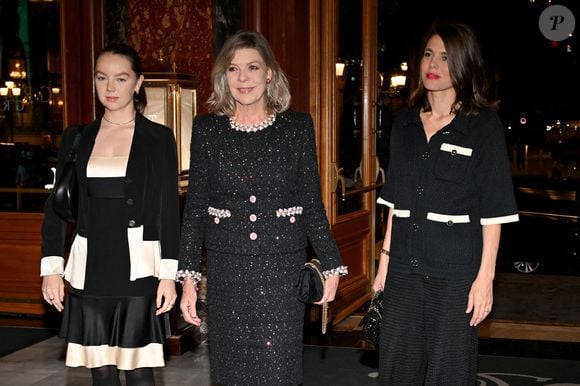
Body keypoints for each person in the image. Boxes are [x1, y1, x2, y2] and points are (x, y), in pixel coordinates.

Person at [177, 31, 347, 385]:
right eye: (234, 69)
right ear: (224, 76)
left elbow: (311, 202)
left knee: (278, 370)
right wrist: (189, 279)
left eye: (252, 67)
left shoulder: (297, 127)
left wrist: (331, 262)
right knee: (231, 371)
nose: (243, 78)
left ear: (269, 73)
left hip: (281, 271)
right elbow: (195, 211)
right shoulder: (208, 130)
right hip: (227, 271)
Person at [372, 22, 519, 384]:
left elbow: (494, 212)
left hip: (455, 277)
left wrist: (485, 279)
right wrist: (383, 268)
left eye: (445, 57)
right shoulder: (404, 123)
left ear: (464, 65)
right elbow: (396, 206)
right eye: (428, 54)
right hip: (404, 272)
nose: (432, 63)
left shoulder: (483, 126)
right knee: (396, 372)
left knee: (449, 375)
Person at [40, 43, 179, 386]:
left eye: (121, 78)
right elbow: (57, 208)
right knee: (100, 370)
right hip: (91, 269)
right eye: (102, 78)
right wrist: (52, 269)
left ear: (138, 82)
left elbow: (167, 211)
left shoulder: (158, 139)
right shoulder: (77, 138)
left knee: (138, 370)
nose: (111, 88)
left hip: (138, 269)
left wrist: (168, 275)